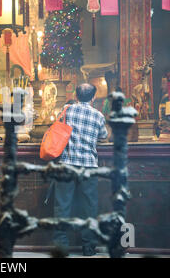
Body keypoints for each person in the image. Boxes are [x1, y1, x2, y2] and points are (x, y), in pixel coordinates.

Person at [52, 83, 108, 256]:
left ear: (76, 96)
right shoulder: (98, 116)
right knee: (89, 206)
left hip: (67, 163)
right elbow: (104, 136)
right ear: (93, 98)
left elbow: (56, 125)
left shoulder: (67, 109)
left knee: (62, 205)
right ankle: (88, 247)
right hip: (89, 165)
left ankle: (61, 246)